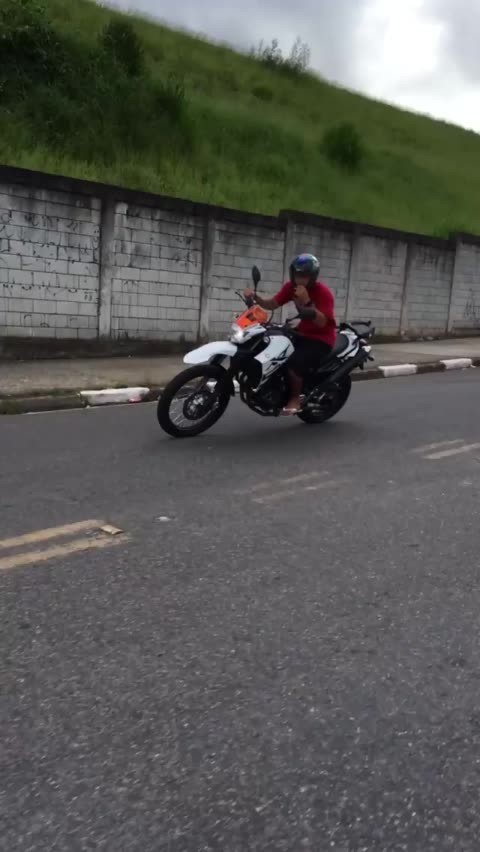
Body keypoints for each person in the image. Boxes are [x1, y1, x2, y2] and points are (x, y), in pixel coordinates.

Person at [244, 253, 336, 415]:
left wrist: (307, 301)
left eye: (304, 276)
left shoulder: (323, 293)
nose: (300, 279)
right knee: (272, 348)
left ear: (313, 277)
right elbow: (273, 303)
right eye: (297, 275)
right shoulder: (290, 288)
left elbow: (322, 323)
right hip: (301, 332)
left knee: (294, 363)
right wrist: (255, 297)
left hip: (321, 339)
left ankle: (295, 399)